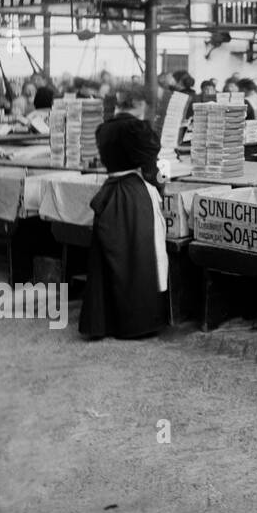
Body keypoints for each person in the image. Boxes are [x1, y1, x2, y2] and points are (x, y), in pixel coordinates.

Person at [80, 88, 167, 340]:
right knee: (137, 259)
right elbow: (152, 169)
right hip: (133, 197)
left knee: (110, 261)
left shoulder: (104, 128)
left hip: (110, 192)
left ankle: (107, 321)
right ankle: (137, 323)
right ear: (139, 104)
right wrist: (164, 179)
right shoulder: (137, 129)